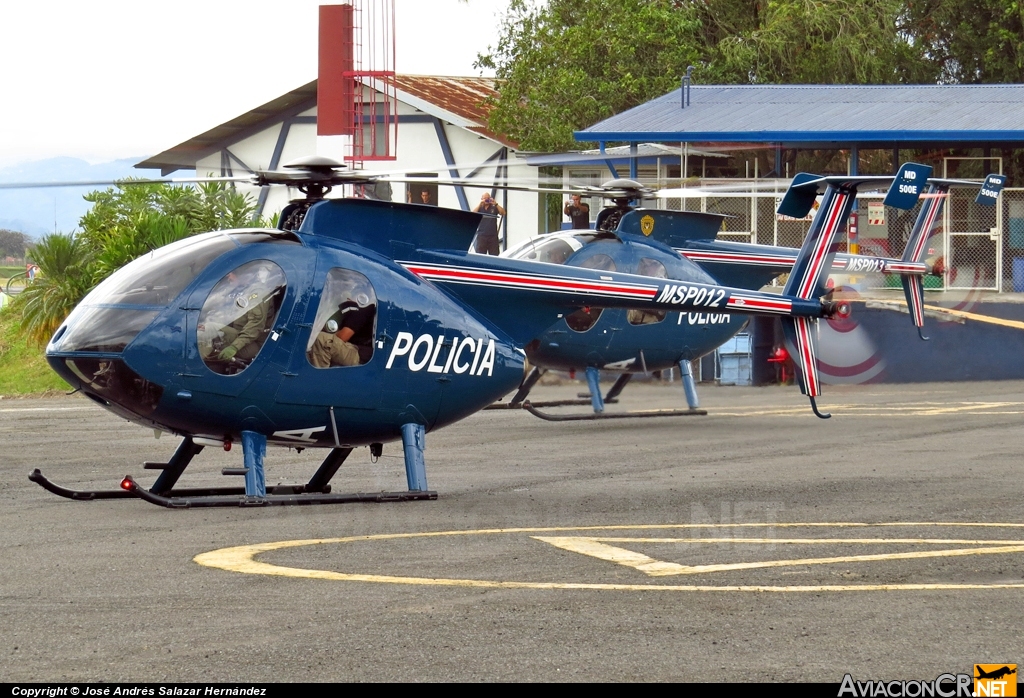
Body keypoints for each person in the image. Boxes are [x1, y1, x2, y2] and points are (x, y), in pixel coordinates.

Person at [307, 291, 377, 368]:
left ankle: (318, 378)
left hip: (361, 355)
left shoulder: (362, 311)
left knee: (322, 340)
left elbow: (342, 337)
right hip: (358, 351)